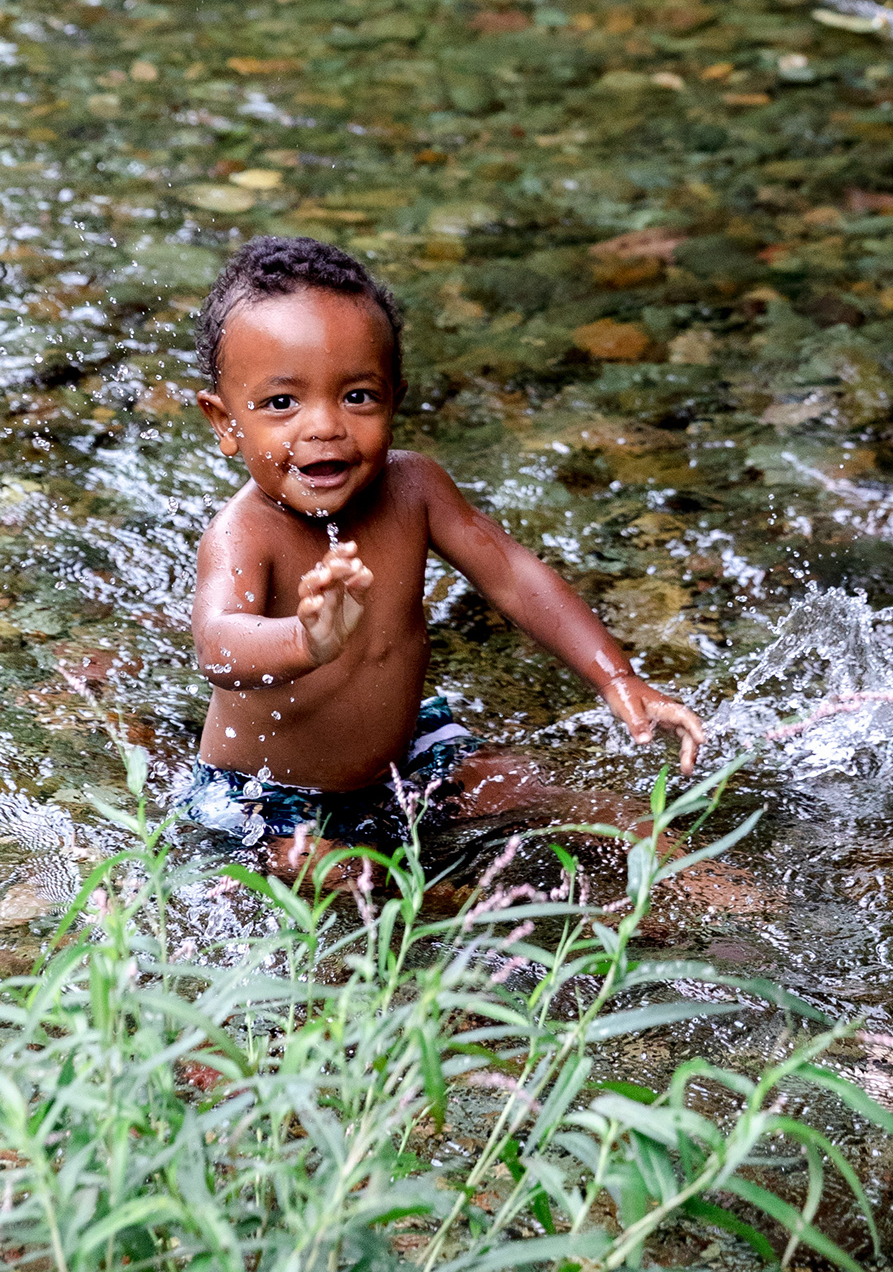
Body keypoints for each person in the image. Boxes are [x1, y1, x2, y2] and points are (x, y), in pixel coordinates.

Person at [186, 235, 704, 878]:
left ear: (395, 396)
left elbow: (512, 576)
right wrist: (305, 639)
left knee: (532, 788)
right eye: (282, 403)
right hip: (271, 794)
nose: (324, 426)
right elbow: (217, 646)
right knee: (329, 878)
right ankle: (468, 916)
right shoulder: (244, 533)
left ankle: (696, 881)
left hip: (403, 758)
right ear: (225, 422)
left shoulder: (415, 490)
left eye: (357, 396)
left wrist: (615, 677)